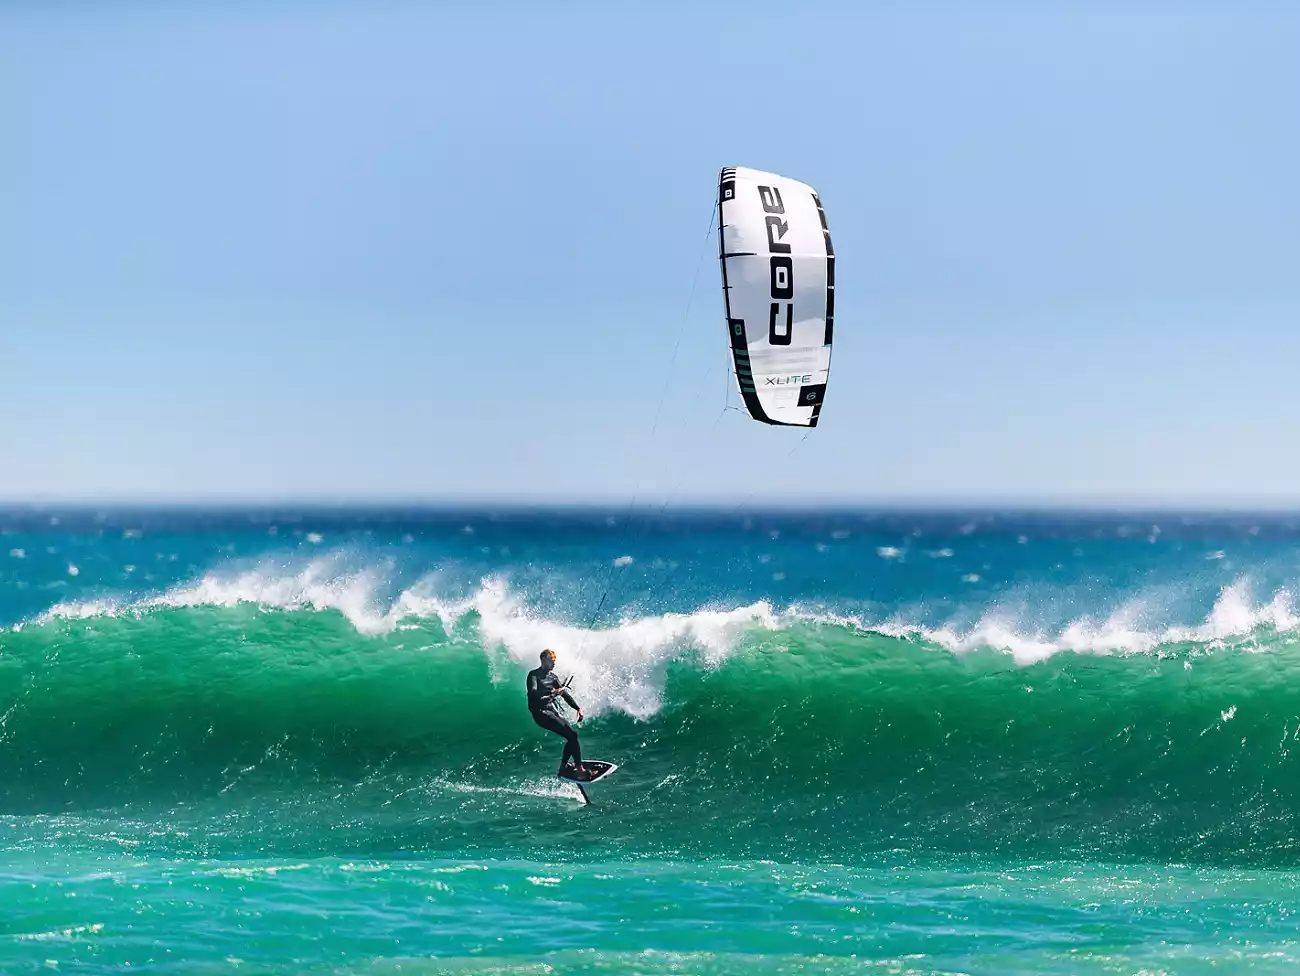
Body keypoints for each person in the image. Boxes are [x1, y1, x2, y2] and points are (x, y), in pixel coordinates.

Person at [526, 648, 588, 779]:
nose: (554, 664)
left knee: (572, 736)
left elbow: (564, 693)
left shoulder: (553, 677)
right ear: (543, 660)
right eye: (551, 661)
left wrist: (578, 708)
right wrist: (551, 693)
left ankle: (564, 768)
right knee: (571, 735)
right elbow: (532, 693)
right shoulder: (533, 675)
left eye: (554, 661)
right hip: (540, 713)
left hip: (551, 710)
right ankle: (579, 768)